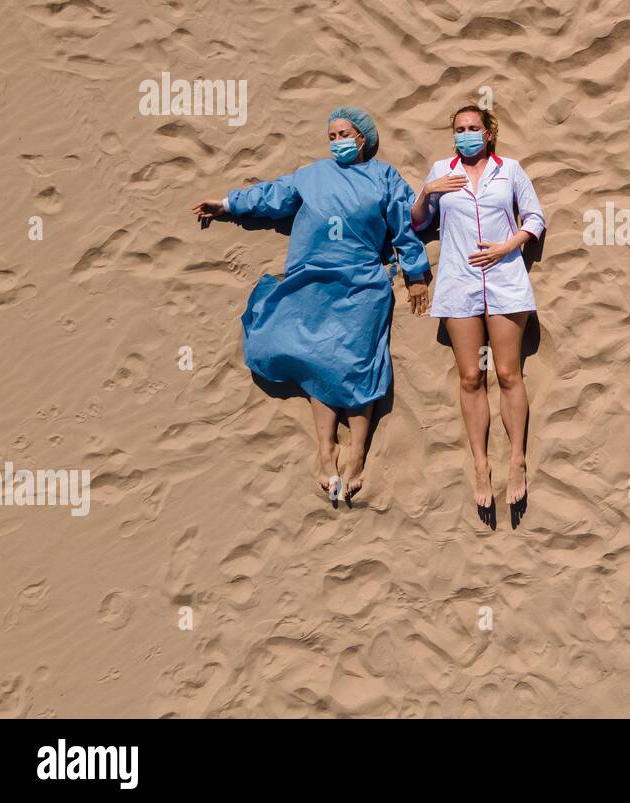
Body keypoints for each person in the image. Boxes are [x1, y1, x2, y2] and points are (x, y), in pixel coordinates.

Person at [191, 107, 431, 503]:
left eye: (344, 134)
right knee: (316, 357)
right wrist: (228, 204)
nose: (337, 141)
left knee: (357, 362)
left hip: (362, 281)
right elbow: (272, 196)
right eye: (332, 135)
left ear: (363, 138)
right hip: (312, 279)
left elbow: (404, 223)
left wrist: (416, 272)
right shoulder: (311, 175)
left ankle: (356, 451)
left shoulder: (383, 176)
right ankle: (326, 450)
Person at [411, 105, 544, 524]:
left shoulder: (510, 170)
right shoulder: (440, 171)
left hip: (504, 280)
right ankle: (481, 465)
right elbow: (417, 225)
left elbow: (536, 217)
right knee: (471, 377)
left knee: (508, 373)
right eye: (459, 129)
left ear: (488, 134)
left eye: (473, 128)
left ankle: (517, 459)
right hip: (459, 282)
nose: (466, 134)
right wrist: (427, 191)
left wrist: (509, 246)